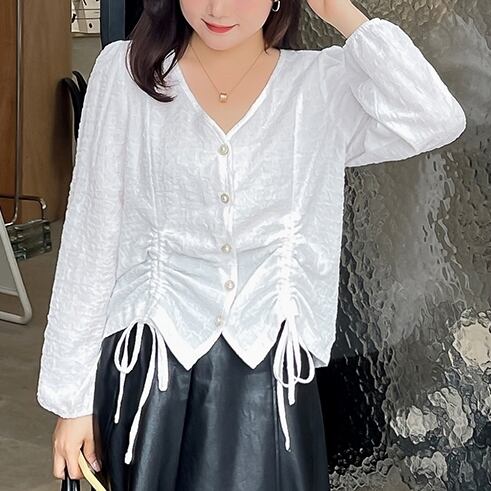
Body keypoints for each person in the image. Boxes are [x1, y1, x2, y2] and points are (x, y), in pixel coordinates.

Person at [36, 0, 466, 489]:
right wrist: (72, 401)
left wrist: (337, 9)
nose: (218, 8)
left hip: (269, 380)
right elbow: (91, 237)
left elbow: (434, 117)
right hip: (151, 374)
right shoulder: (125, 73)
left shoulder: (320, 86)